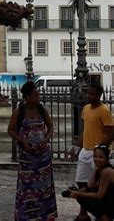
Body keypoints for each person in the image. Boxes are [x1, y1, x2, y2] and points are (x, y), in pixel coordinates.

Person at [8, 81, 57, 220]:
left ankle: (45, 214)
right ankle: (26, 214)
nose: (38, 97)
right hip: (27, 156)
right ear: (27, 96)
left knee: (44, 186)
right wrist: (22, 141)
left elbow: (51, 127)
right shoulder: (20, 111)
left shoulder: (41, 109)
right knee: (27, 186)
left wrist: (46, 139)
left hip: (43, 156)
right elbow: (10, 130)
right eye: (35, 95)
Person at [70, 83, 113, 221]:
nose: (89, 96)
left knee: (98, 186)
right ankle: (83, 213)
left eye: (92, 94)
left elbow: (111, 132)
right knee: (81, 183)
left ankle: (102, 214)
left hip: (98, 153)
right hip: (85, 150)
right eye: (88, 93)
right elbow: (85, 129)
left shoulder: (104, 111)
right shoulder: (86, 108)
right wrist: (77, 145)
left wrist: (101, 150)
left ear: (99, 95)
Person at [67, 144, 114, 221]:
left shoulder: (107, 171)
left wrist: (77, 193)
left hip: (110, 203)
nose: (97, 159)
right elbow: (88, 188)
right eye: (95, 156)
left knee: (86, 199)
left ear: (106, 159)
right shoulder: (98, 170)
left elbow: (99, 195)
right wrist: (73, 191)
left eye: (101, 157)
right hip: (106, 201)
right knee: (82, 197)